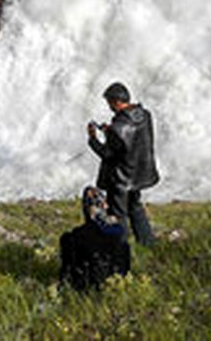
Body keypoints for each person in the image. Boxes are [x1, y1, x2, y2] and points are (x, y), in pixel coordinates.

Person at [87, 81, 159, 245]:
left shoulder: (118, 128)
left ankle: (121, 250)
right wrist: (110, 132)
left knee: (118, 214)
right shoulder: (145, 115)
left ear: (117, 102)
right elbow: (130, 141)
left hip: (121, 178)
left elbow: (106, 153)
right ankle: (147, 243)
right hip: (138, 174)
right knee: (135, 207)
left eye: (110, 103)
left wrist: (93, 139)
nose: (109, 107)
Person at [59, 186, 131, 291]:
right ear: (105, 206)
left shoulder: (75, 236)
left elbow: (67, 270)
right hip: (115, 284)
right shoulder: (119, 233)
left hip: (85, 286)